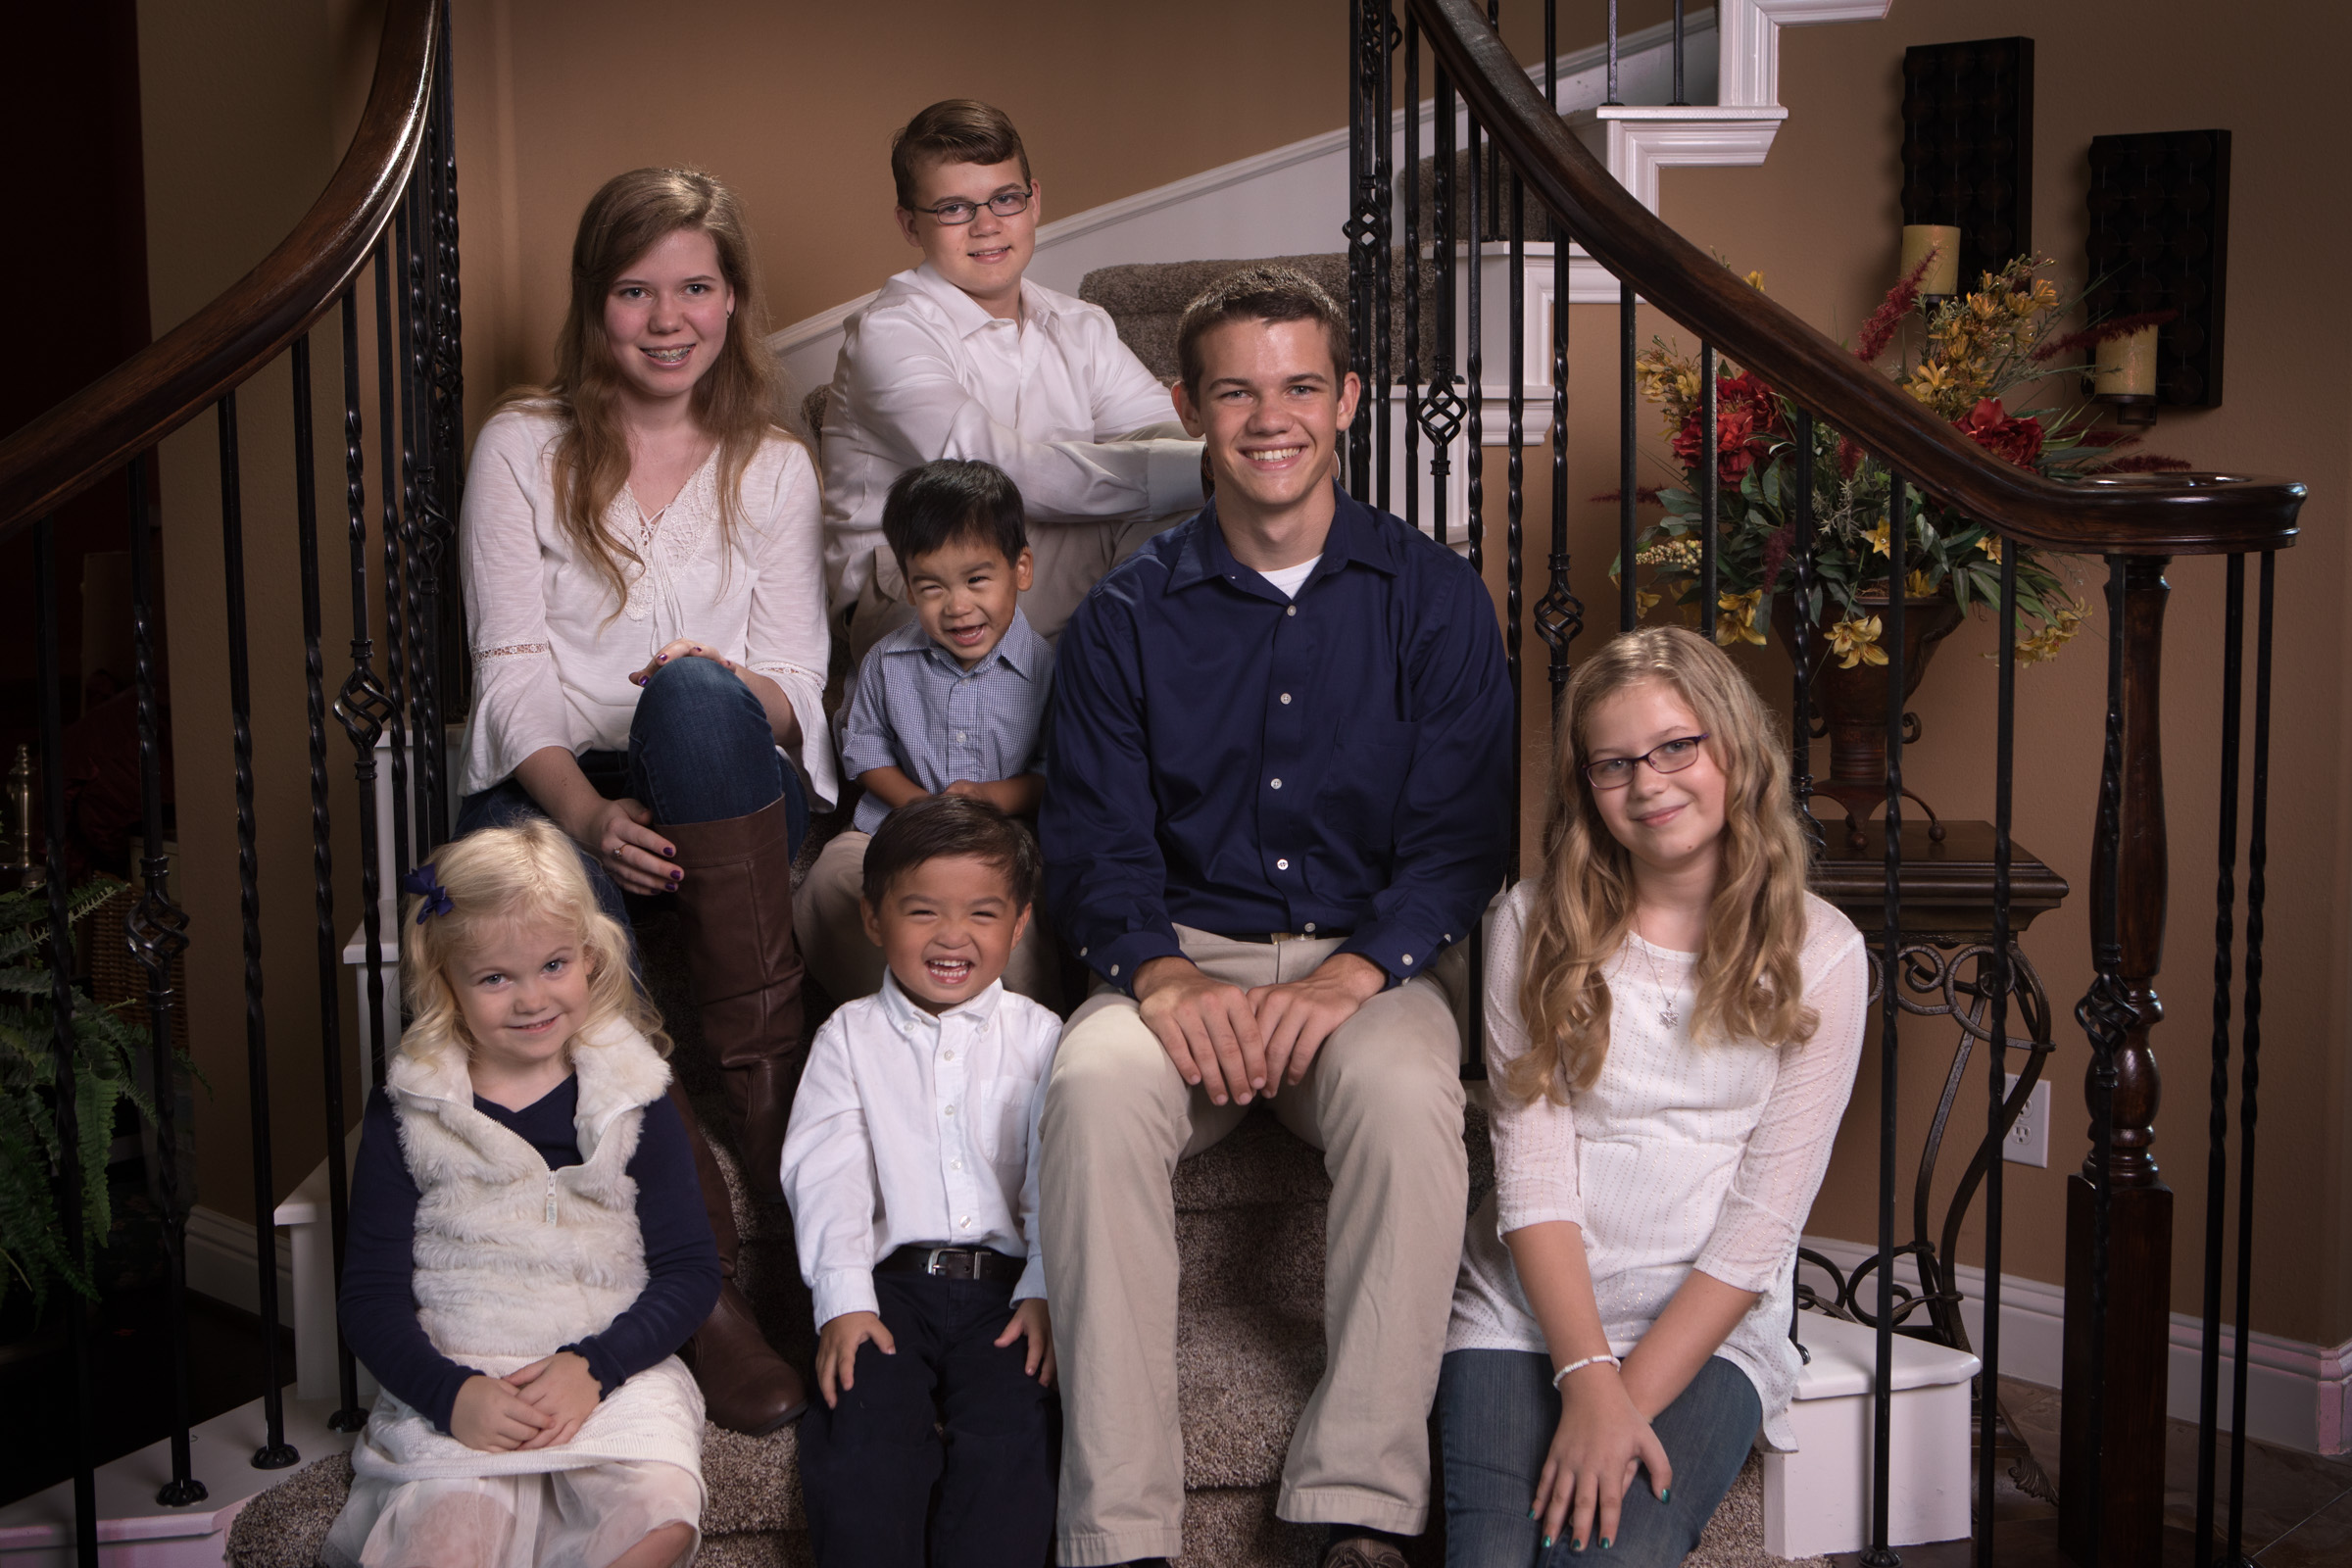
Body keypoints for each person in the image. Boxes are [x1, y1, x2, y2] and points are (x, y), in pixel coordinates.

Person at [1038, 265, 1513, 1568]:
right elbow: (1092, 836)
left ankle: (1353, 1505)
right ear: (1191, 404)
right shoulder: (1124, 618)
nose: (1271, 416)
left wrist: (1349, 980)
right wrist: (1165, 979)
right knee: (1084, 1090)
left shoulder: (1435, 599)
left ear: (1348, 398)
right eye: (1237, 389)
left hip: (1370, 968)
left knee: (1418, 1102)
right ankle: (1122, 1531)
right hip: (1181, 954)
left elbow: (1460, 840)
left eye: (1301, 384)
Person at [454, 166, 825, 1432]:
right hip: (559, 787)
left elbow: (800, 681)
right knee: (529, 884)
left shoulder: (772, 461)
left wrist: (720, 688)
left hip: (720, 775)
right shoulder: (522, 444)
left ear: (733, 300)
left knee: (700, 698)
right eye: (635, 290)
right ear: (592, 302)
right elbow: (510, 679)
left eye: (695, 288)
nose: (668, 319)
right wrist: (590, 816)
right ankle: (705, 1294)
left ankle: (781, 1150)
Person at [1441, 627, 1869, 1565]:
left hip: (1709, 1329)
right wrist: (1586, 1373)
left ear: (1735, 749)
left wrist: (1619, 1402)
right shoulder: (1529, 922)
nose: (1649, 782)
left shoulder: (1823, 952)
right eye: (1613, 763)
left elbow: (1763, 1226)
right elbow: (1535, 1184)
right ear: (1587, 789)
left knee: (1599, 1558)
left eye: (1679, 745)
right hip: (1526, 1309)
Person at [325, 821, 716, 1568]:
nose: (532, 998)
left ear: (591, 957)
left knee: (657, 1519)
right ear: (447, 985)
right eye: (496, 978)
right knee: (445, 1541)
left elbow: (691, 1271)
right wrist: (450, 1394)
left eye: (553, 964)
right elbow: (369, 1298)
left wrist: (594, 1367)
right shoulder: (411, 1108)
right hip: (462, 1360)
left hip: (610, 1368)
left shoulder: (635, 1093)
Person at [817, 98, 1204, 662]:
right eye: (953, 208)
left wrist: (1245, 459)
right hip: (915, 581)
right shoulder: (888, 334)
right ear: (909, 224)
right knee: (1195, 490)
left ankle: (1129, 691)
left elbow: (1168, 434)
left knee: (1202, 516)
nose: (988, 225)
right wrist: (1207, 468)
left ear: (1034, 200)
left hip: (1033, 558)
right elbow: (1001, 476)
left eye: (1005, 198)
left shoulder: (1079, 324)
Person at [781, 795, 1060, 1568]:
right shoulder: (848, 1036)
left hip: (1008, 1296)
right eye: (921, 911)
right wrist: (842, 1297)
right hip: (888, 1290)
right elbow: (827, 1169)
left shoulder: (1043, 1038)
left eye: (981, 913)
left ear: (1020, 923)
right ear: (873, 920)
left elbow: (1055, 1177)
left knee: (1013, 1444)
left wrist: (1044, 1283)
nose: (951, 936)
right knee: (862, 1440)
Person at [795, 459, 1061, 1008]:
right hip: (893, 832)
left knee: (1032, 917)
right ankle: (903, 1016)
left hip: (1008, 844)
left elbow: (1057, 773)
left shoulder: (1051, 669)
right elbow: (865, 751)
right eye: (932, 586)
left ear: (1021, 569)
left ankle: (1024, 1035)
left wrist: (988, 800)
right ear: (909, 587)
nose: (958, 606)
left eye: (977, 580)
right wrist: (921, 809)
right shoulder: (887, 663)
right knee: (830, 882)